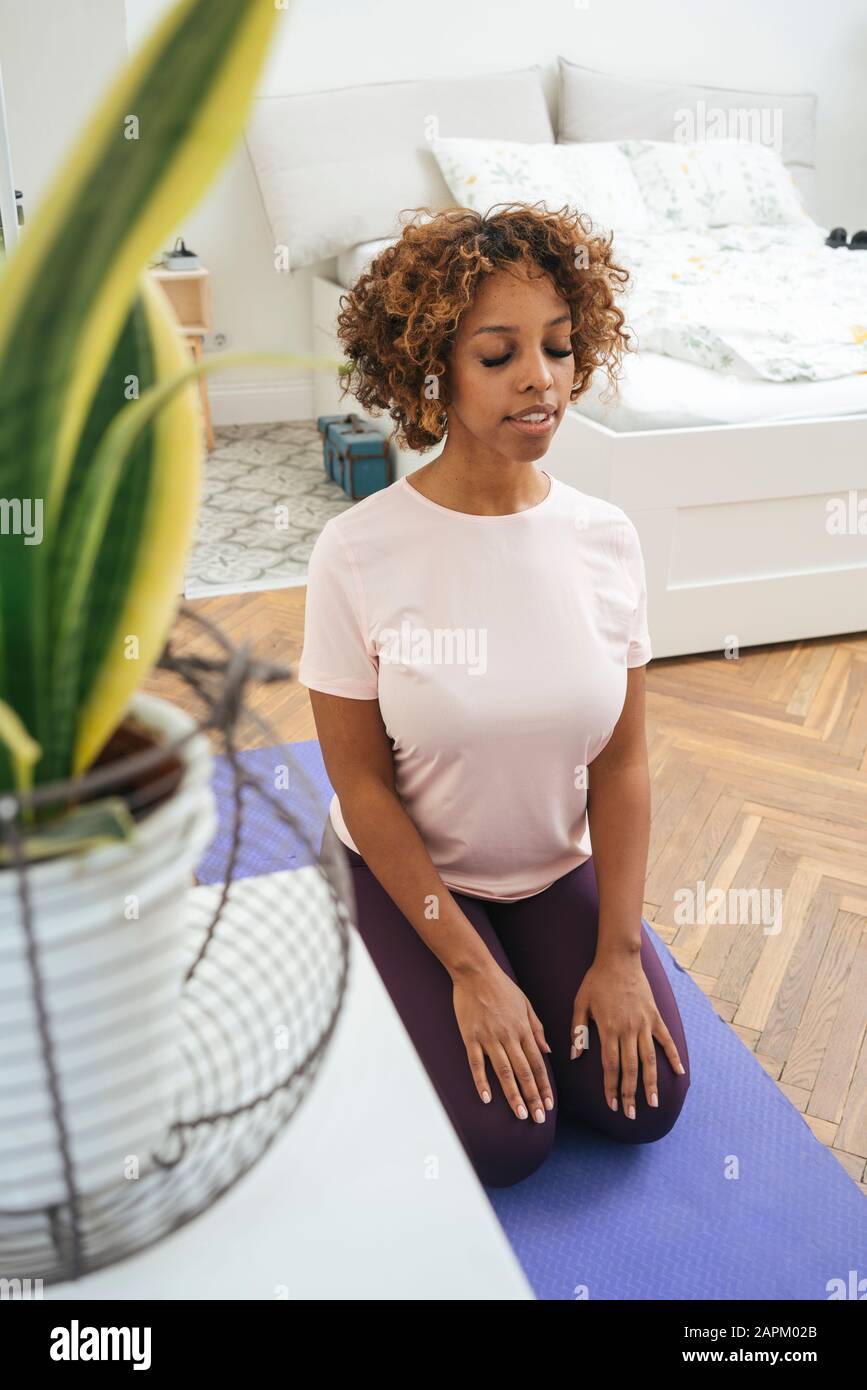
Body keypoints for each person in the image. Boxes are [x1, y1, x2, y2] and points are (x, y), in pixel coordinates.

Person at [299, 203, 691, 1188]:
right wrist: (471, 968)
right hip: (412, 871)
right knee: (504, 1142)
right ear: (431, 370)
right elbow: (361, 786)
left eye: (559, 347)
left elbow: (624, 761)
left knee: (641, 1104)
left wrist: (619, 950)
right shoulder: (358, 551)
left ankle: (529, 957)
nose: (540, 378)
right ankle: (364, 954)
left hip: (550, 869)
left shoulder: (607, 538)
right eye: (498, 353)